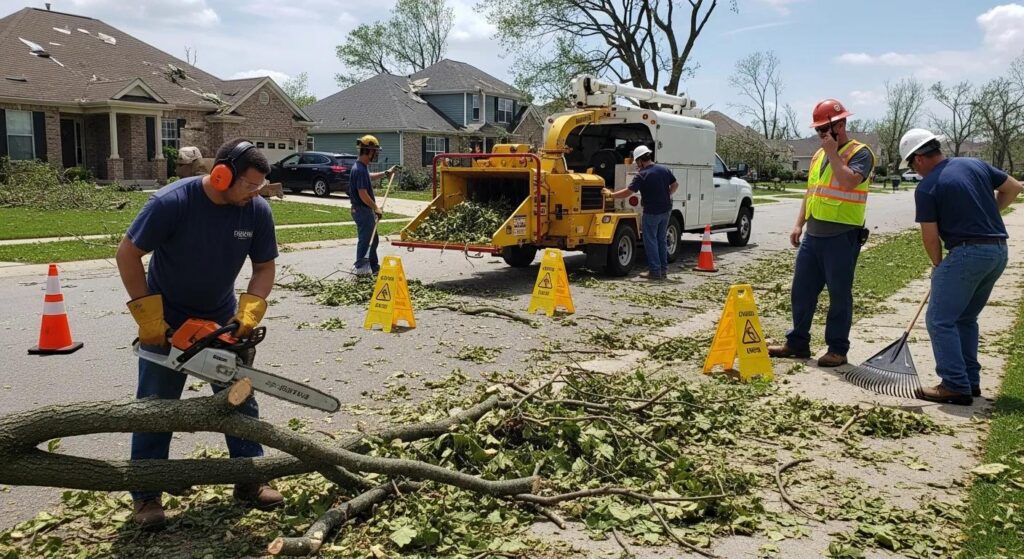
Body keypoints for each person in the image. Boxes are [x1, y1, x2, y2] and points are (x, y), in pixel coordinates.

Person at [115, 139, 281, 530]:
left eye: (260, 186)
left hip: (220, 318)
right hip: (167, 319)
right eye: (249, 185)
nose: (255, 193)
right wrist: (149, 318)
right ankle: (147, 494)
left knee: (238, 400)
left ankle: (249, 477)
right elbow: (127, 254)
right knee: (156, 407)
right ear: (221, 173)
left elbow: (264, 267)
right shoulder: (171, 203)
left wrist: (250, 310)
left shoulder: (256, 210)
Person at [901, 128, 1022, 405]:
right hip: (998, 252)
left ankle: (954, 384)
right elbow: (1014, 187)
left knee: (939, 320)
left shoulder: (928, 186)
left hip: (968, 253)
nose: (915, 171)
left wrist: (937, 265)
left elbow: (930, 236)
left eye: (911, 165)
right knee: (965, 318)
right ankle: (970, 381)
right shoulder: (974, 164)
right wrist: (988, 212)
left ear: (918, 159)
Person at [768, 99, 875, 367]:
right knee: (801, 291)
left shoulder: (861, 153)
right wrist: (798, 224)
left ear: (841, 125)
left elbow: (849, 181)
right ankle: (797, 343)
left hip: (842, 237)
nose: (821, 136)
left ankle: (837, 349)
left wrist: (832, 154)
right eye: (818, 131)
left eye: (825, 130)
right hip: (813, 236)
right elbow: (811, 191)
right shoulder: (817, 155)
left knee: (839, 295)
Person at [603, 145, 678, 280]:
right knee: (661, 240)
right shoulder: (664, 169)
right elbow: (675, 185)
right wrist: (666, 195)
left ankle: (655, 271)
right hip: (666, 210)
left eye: (636, 162)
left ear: (640, 160)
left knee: (651, 241)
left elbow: (628, 192)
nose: (636, 165)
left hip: (652, 212)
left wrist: (611, 195)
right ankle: (663, 270)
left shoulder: (642, 175)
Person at [349, 135, 397, 277]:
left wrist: (385, 173)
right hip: (362, 210)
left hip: (362, 209)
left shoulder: (361, 168)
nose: (376, 155)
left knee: (373, 239)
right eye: (375, 152)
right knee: (366, 240)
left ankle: (374, 267)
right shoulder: (359, 169)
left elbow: (369, 177)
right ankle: (362, 270)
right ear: (369, 151)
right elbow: (363, 194)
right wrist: (376, 208)